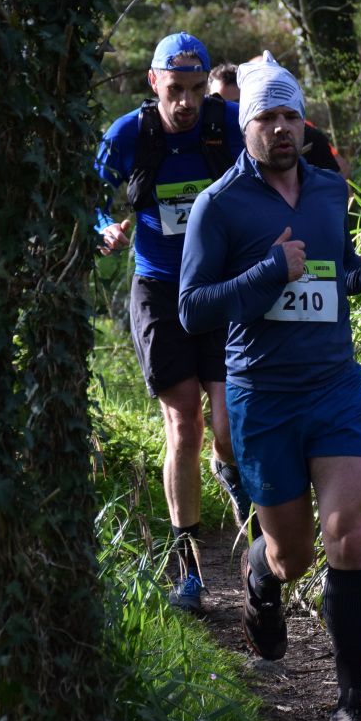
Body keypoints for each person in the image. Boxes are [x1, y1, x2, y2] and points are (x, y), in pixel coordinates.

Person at [179, 53, 361, 721]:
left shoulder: (331, 190)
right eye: (266, 117)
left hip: (334, 387)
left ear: (304, 123)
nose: (279, 128)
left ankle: (349, 708)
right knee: (293, 555)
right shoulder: (218, 205)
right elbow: (192, 309)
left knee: (348, 536)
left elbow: (329, 277)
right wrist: (270, 270)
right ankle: (259, 572)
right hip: (263, 397)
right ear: (245, 126)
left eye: (290, 116)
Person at [95, 33, 257, 613]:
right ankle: (189, 571)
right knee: (184, 424)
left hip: (219, 286)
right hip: (160, 290)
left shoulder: (230, 123)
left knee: (227, 427)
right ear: (153, 82)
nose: (185, 102)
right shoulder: (129, 134)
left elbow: (285, 159)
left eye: (194, 89)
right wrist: (103, 227)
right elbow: (90, 193)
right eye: (174, 89)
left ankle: (234, 482)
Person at [210, 60, 352, 179]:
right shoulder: (204, 144)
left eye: (238, 104)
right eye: (221, 104)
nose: (231, 111)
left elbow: (340, 177)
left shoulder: (306, 136)